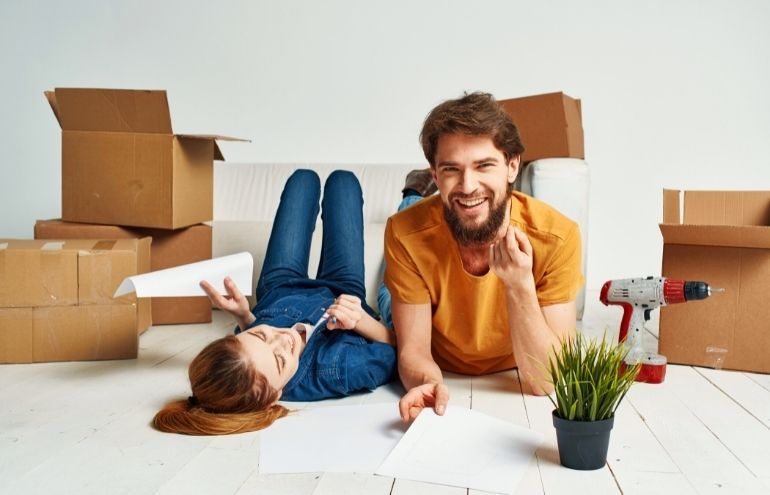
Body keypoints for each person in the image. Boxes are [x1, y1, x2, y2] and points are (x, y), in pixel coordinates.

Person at [384, 92, 584, 422]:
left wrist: (520, 284)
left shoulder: (558, 237)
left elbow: (547, 379)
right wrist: (430, 384)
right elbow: (414, 350)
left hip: (513, 378)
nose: (467, 185)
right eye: (451, 169)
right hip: (445, 367)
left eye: (484, 165)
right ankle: (412, 194)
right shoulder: (404, 234)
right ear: (435, 176)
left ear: (512, 165)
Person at [154, 169, 397, 435]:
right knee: (344, 181)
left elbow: (254, 343)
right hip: (344, 289)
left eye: (260, 335)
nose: (283, 339)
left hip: (280, 288)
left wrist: (245, 317)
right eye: (281, 360)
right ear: (274, 397)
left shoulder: (251, 359)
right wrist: (362, 321)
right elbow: (402, 350)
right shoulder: (343, 369)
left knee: (303, 179)